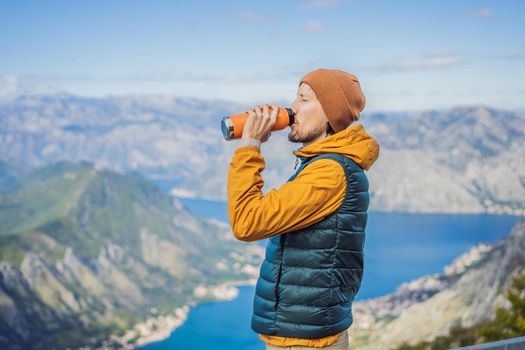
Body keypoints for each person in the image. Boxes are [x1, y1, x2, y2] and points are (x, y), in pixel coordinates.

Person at [227, 68, 380, 349]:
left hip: (305, 341)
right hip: (300, 333)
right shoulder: (322, 166)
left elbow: (247, 222)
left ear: (331, 115)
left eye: (304, 99)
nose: (292, 109)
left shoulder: (329, 173)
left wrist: (249, 146)